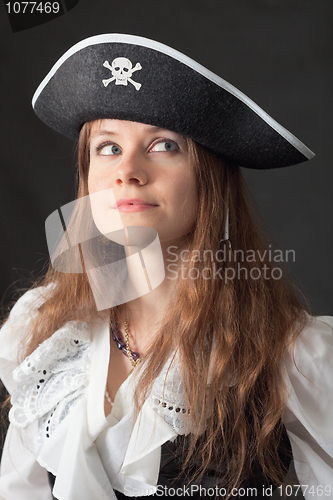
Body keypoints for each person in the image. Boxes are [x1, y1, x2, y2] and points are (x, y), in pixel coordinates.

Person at [0, 33, 332, 500]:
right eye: (108, 148)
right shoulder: (44, 332)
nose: (128, 171)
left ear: (209, 178)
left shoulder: (293, 357)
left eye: (163, 146)